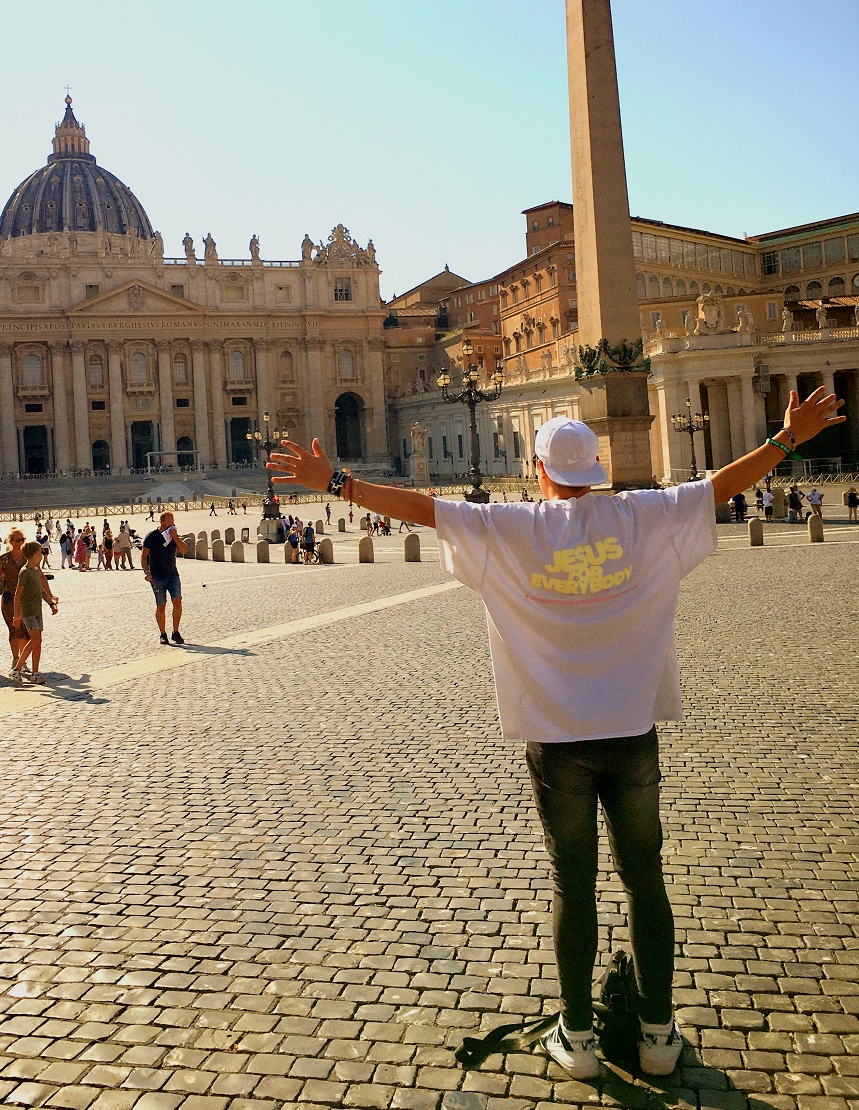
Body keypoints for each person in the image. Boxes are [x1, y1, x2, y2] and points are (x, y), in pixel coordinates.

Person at [266, 386, 845, 1079]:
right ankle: (659, 1034)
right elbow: (719, 485)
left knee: (573, 883)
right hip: (631, 732)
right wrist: (786, 439)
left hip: (556, 740)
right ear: (597, 469)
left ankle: (578, 1035)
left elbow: (422, 509)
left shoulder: (509, 527)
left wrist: (335, 482)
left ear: (539, 469)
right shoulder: (644, 515)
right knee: (646, 880)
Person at [11, 540, 58, 685]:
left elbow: (41, 591)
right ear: (34, 554)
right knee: (35, 639)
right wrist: (16, 616)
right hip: (28, 611)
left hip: (37, 611)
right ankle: (17, 669)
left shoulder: (36, 570)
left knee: (38, 641)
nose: (42, 554)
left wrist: (51, 604)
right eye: (40, 551)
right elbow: (17, 595)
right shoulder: (25, 572)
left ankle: (35, 673)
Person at [141, 511, 188, 644]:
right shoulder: (152, 536)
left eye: (173, 521)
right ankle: (163, 634)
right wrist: (147, 572)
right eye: (169, 521)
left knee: (177, 602)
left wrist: (176, 537)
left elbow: (184, 550)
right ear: (162, 522)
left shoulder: (173, 536)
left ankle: (176, 632)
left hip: (172, 574)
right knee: (161, 606)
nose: (172, 523)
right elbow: (144, 556)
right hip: (157, 576)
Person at [0, 530, 29, 669]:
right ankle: (15, 658)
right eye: (18, 540)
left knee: (26, 630)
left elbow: (38, 576)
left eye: (23, 539)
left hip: (25, 599)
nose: (21, 542)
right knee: (14, 629)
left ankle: (23, 659)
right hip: (9, 599)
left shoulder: (27, 557)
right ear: (11, 542)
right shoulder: (3, 559)